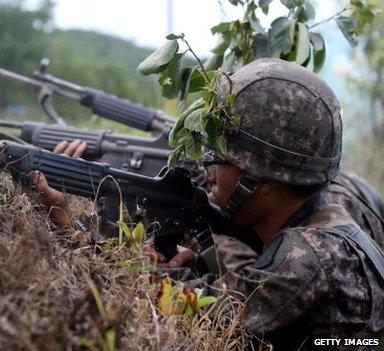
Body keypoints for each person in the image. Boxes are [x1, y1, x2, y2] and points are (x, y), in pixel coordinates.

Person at [32, 58, 384, 348]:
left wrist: (70, 224)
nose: (206, 164)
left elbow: (178, 310)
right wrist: (201, 266)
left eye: (221, 156)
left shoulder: (307, 260)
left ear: (263, 179)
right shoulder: (325, 222)